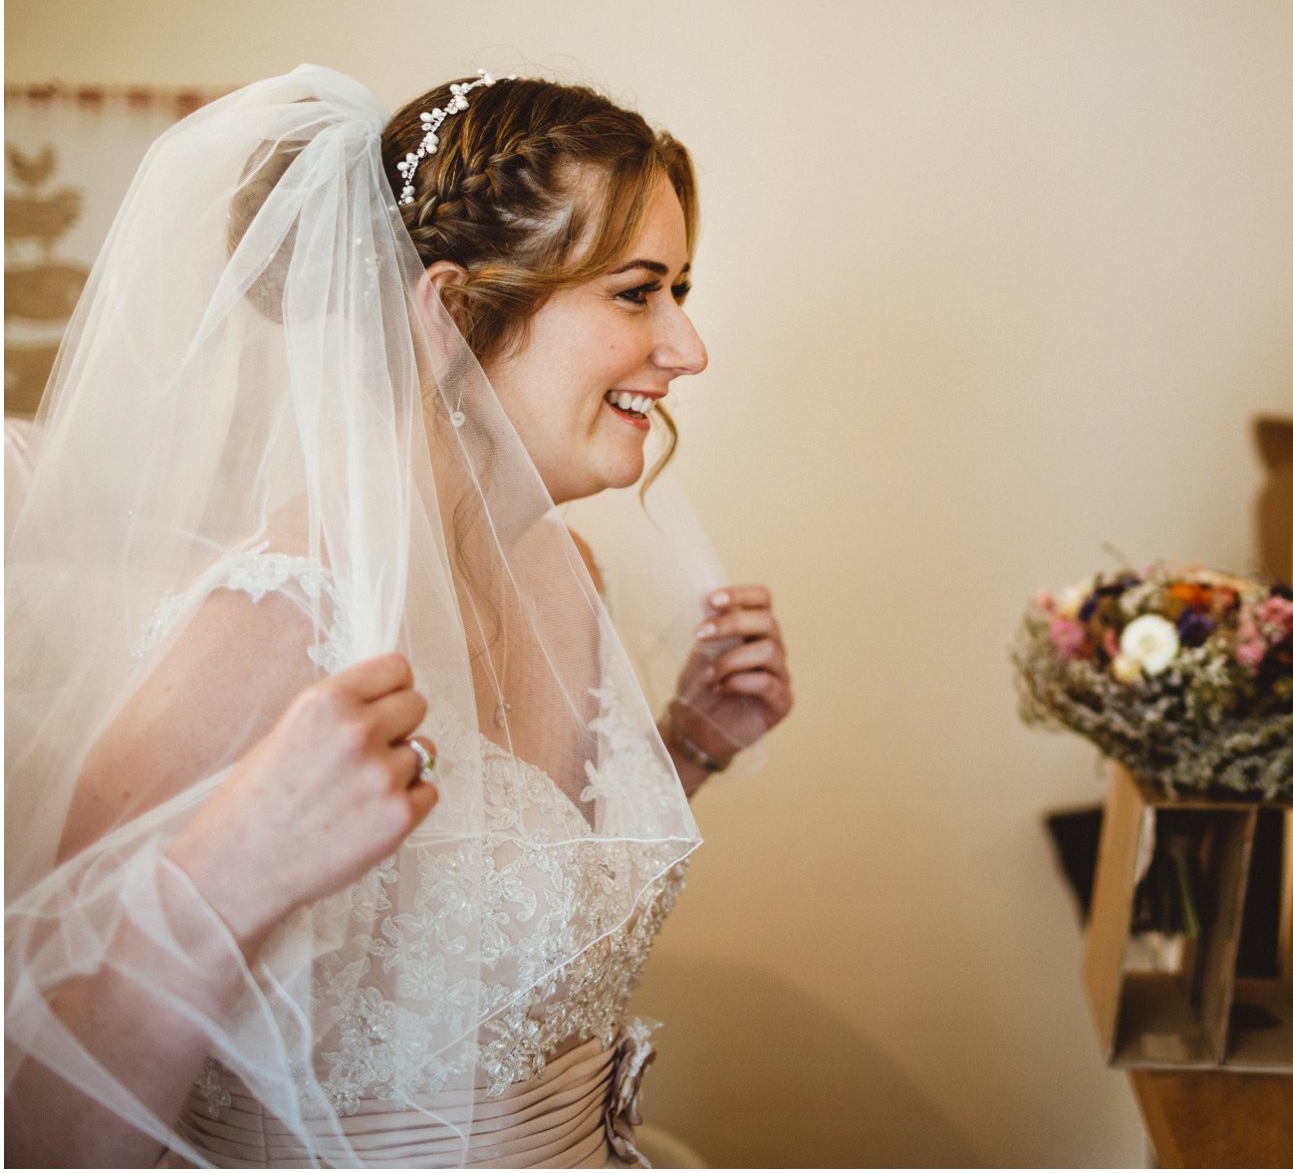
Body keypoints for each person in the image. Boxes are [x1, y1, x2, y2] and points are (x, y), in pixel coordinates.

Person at [4, 65, 792, 1167]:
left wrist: (690, 745)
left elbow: (517, 915)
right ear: (455, 309)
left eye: (681, 290)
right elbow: (33, 1096)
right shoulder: (282, 618)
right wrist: (231, 865)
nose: (687, 347)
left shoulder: (566, 575)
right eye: (634, 291)